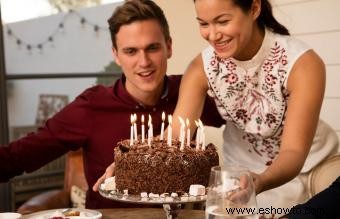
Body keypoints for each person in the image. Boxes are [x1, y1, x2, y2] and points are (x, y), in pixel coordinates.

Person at [0, 0, 224, 209]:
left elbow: (245, 124)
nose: (144, 62)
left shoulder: (190, 92)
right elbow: (23, 154)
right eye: (130, 51)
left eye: (152, 48)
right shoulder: (91, 107)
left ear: (169, 47)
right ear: (116, 55)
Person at [169, 0, 339, 216]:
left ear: (255, 8)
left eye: (222, 21)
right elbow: (176, 133)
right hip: (237, 178)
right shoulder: (200, 68)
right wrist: (132, 158)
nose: (212, 35)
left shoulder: (303, 63)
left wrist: (260, 181)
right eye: (204, 24)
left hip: (308, 170)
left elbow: (293, 151)